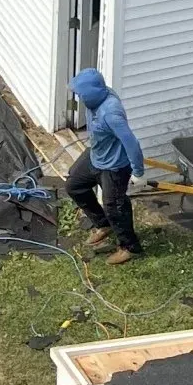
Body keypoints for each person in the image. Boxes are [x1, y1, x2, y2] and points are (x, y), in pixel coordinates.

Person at [67, 67, 145, 262]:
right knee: (74, 186)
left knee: (115, 206)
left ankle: (130, 247)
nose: (79, 98)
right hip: (96, 155)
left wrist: (138, 172)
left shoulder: (111, 113)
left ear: (91, 92)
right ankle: (104, 224)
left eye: (80, 93)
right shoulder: (94, 99)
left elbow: (131, 143)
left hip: (114, 166)